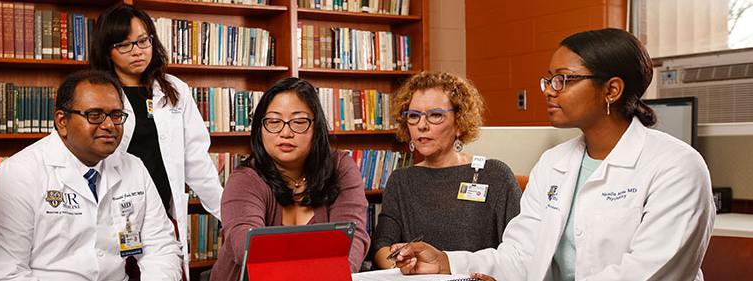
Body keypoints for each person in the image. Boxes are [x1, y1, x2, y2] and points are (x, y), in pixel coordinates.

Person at [389, 28, 715, 281]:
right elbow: (521, 256)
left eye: (563, 79)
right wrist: (447, 261)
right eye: (549, 78)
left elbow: (647, 272)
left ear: (611, 90)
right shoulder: (554, 164)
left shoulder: (676, 167)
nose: (548, 89)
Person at [0, 70, 182, 280]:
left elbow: (161, 247)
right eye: (95, 115)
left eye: (116, 115)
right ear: (62, 121)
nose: (109, 125)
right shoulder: (20, 173)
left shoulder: (134, 167)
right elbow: (2, 273)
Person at [89, 4, 224, 273]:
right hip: (111, 219)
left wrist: (230, 214)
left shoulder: (174, 90)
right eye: (124, 45)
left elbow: (196, 161)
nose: (138, 50)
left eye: (143, 40)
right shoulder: (94, 92)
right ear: (107, 50)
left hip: (161, 215)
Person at [210, 77, 371, 281]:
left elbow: (352, 241)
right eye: (274, 122)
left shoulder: (340, 168)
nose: (286, 132)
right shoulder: (244, 180)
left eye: (299, 122)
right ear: (260, 129)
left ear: (316, 127)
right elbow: (248, 249)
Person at [369, 71, 522, 270]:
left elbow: (521, 251)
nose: (422, 126)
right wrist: (401, 266)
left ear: (460, 122)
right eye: (414, 116)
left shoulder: (494, 175)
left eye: (435, 115)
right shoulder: (401, 180)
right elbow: (382, 246)